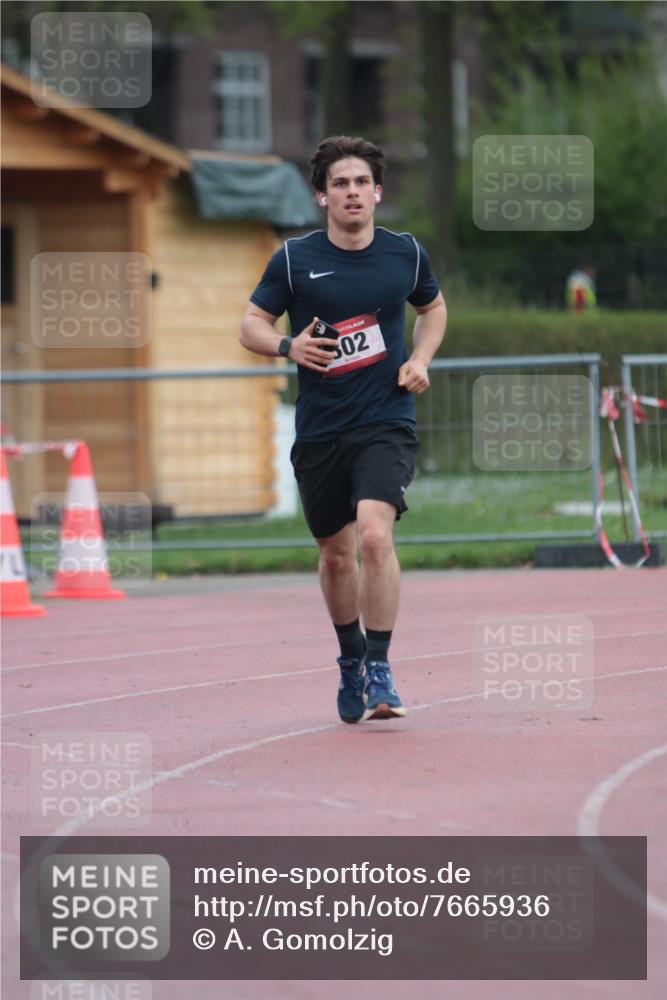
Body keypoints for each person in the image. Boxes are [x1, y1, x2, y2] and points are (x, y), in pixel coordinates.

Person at [240, 135, 447, 723]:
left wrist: (421, 360)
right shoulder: (293, 259)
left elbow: (432, 308)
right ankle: (351, 659)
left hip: (386, 418)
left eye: (361, 183)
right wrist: (288, 345)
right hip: (321, 430)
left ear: (377, 192)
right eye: (340, 184)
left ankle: (381, 668)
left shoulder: (404, 253)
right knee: (336, 555)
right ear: (321, 196)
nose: (352, 193)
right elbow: (250, 324)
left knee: (376, 537)